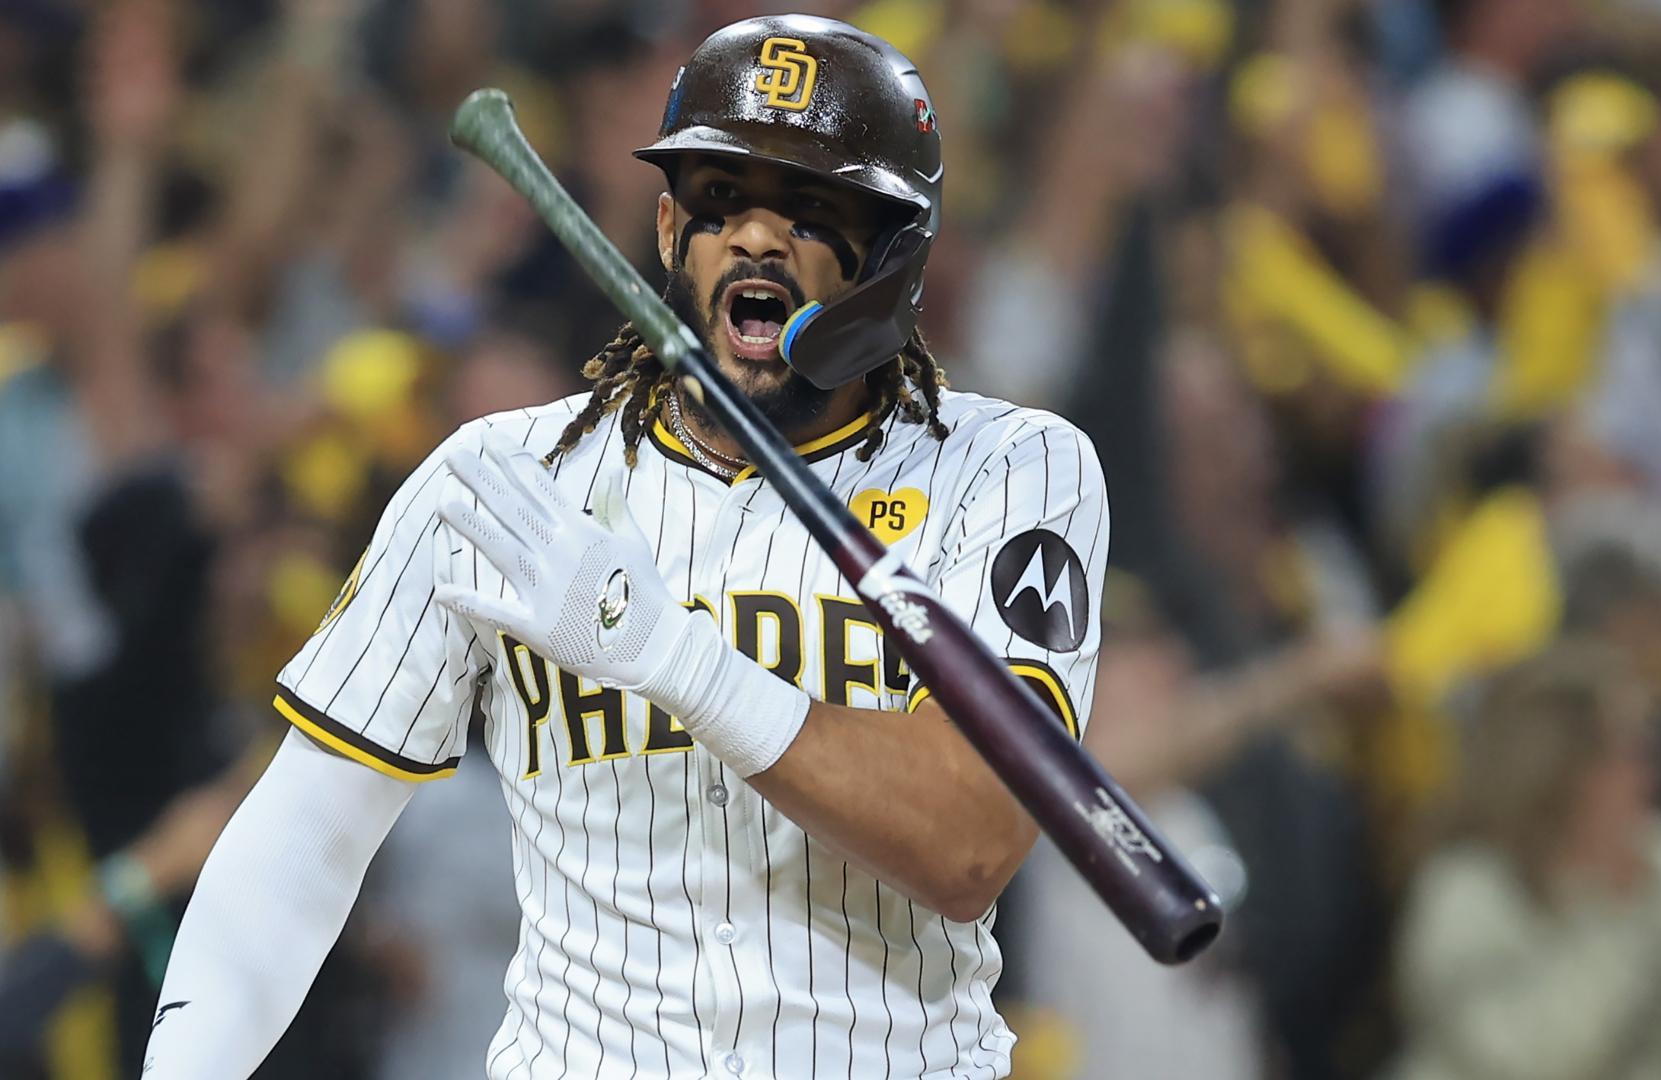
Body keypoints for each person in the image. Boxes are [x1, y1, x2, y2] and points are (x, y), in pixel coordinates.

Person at [143, 15, 1107, 1079]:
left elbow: (970, 844)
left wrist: (666, 652)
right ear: (663, 228)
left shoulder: (1010, 469)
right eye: (719, 199)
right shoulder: (506, 481)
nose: (753, 237)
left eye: (810, 206)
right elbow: (303, 844)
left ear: (895, 252)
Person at [1391, 641, 1661, 1080]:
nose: (1650, 772)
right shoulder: (1468, 888)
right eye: (1630, 749)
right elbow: (1525, 1062)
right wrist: (1615, 909)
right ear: (1562, 766)